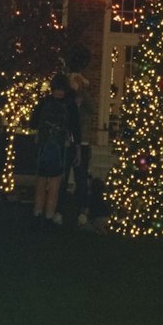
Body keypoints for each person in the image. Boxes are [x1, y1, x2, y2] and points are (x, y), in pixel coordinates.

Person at [28, 74, 80, 225]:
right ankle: (48, 216)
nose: (59, 92)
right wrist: (77, 149)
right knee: (53, 184)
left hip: (46, 146)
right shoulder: (69, 105)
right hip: (58, 147)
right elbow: (75, 129)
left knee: (42, 182)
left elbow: (33, 123)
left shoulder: (45, 102)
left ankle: (38, 213)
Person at [63, 68, 95, 227]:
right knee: (63, 177)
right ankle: (60, 210)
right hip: (69, 143)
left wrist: (82, 91)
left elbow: (92, 109)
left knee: (81, 178)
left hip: (83, 144)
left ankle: (82, 210)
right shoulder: (69, 101)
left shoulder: (86, 102)